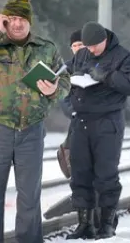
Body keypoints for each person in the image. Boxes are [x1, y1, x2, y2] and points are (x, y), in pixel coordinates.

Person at [0, 0, 70, 243]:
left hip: (31, 131)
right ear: (4, 21)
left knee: (29, 195)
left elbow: (65, 80)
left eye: (22, 19)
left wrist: (53, 90)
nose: (17, 24)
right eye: (11, 19)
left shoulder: (46, 48)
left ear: (29, 22)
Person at [65, 21, 130, 240]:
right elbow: (67, 71)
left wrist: (107, 77)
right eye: (87, 47)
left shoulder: (123, 57)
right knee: (80, 174)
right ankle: (84, 224)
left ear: (104, 40)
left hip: (108, 122)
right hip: (81, 122)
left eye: (94, 46)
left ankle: (107, 224)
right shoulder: (82, 54)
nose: (90, 50)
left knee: (106, 175)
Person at [57, 29, 84, 179]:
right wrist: (74, 112)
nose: (78, 48)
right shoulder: (66, 70)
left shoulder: (100, 66)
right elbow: (63, 96)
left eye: (81, 44)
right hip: (78, 123)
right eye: (75, 45)